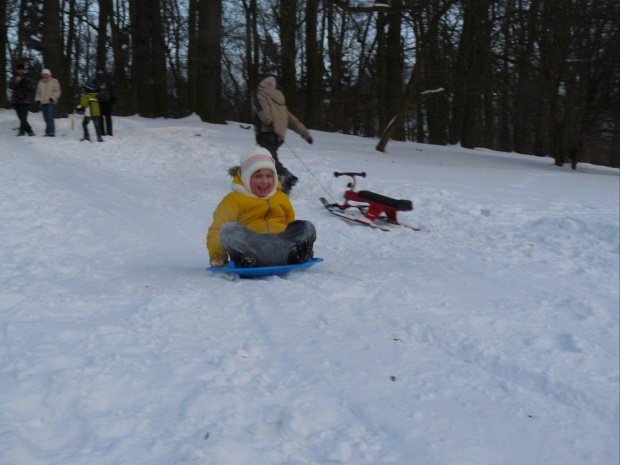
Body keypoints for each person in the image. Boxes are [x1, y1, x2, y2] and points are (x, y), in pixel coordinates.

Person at [207, 145, 316, 268]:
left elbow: (290, 224)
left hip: (280, 242)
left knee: (306, 226)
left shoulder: (281, 197)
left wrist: (301, 242)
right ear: (247, 178)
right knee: (228, 230)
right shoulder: (233, 200)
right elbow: (216, 231)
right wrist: (218, 255)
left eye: (268, 176)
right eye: (258, 176)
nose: (264, 181)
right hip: (251, 246)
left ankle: (292, 253)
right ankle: (260, 258)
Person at [252, 75, 313, 195]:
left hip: (267, 131)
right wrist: (305, 134)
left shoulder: (260, 94)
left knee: (267, 159)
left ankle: (286, 176)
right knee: (268, 158)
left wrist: (268, 121)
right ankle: (278, 181)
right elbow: (293, 121)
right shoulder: (280, 103)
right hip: (279, 136)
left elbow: (261, 109)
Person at [9, 63, 36, 136]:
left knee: (24, 116)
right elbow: (10, 86)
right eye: (19, 69)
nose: (21, 71)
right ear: (17, 70)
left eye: (22, 69)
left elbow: (33, 88)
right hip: (16, 100)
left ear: (24, 70)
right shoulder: (14, 77)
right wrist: (16, 82)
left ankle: (22, 131)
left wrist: (25, 84)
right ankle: (30, 131)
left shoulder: (29, 77)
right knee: (21, 117)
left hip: (25, 100)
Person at [35, 69, 62, 137]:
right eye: (44, 74)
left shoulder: (54, 81)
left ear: (49, 75)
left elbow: (58, 91)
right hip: (43, 102)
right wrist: (37, 99)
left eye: (46, 74)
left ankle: (51, 132)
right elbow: (38, 92)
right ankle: (47, 132)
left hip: (51, 102)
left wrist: (53, 97)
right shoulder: (40, 82)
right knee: (46, 118)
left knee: (50, 116)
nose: (45, 76)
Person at [93, 65, 115, 136]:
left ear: (103, 71)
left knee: (108, 116)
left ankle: (109, 132)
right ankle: (102, 132)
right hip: (98, 100)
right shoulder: (95, 80)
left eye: (101, 70)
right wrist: (99, 88)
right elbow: (92, 89)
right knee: (100, 117)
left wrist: (112, 97)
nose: (100, 71)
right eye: (99, 70)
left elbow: (112, 88)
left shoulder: (108, 79)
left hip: (107, 99)